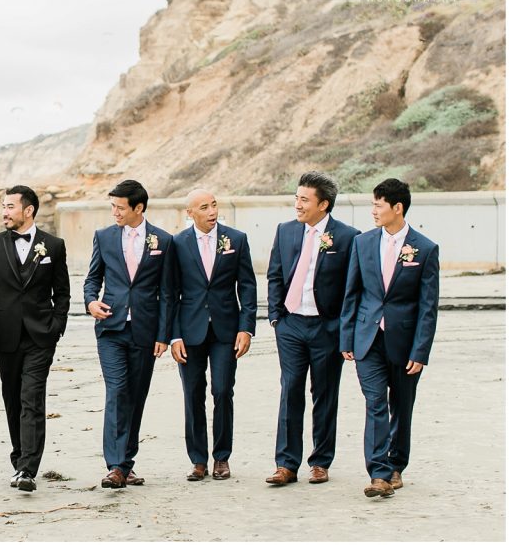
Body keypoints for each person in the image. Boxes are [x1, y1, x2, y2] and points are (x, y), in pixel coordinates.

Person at [340, 178, 440, 498]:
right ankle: (379, 473)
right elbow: (352, 293)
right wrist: (346, 338)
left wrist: (420, 351)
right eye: (372, 204)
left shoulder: (425, 248)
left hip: (405, 342)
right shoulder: (362, 243)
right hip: (367, 338)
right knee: (375, 403)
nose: (373, 210)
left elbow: (428, 307)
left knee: (402, 405)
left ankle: (396, 464)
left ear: (397, 208)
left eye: (378, 205)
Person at [0, 185, 71, 492]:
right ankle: (19, 459)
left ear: (28, 211)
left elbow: (63, 292)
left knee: (32, 399)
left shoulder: (53, 246)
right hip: (5, 336)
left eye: (10, 207)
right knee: (13, 399)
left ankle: (28, 468)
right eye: (3, 206)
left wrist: (56, 326)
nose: (4, 212)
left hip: (41, 336)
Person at [265, 172, 360, 486]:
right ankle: (286, 464)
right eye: (297, 198)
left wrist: (343, 329)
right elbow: (275, 275)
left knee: (325, 394)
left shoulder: (348, 237)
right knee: (290, 390)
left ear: (324, 204)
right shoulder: (285, 230)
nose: (298, 204)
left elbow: (352, 288)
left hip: (326, 328)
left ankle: (320, 462)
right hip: (290, 324)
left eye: (304, 199)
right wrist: (276, 317)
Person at [83, 179, 174, 488]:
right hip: (111, 328)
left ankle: (125, 463)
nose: (115, 213)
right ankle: (115, 466)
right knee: (118, 390)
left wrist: (163, 334)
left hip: (145, 331)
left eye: (120, 207)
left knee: (136, 396)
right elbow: (92, 279)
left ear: (139, 208)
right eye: (113, 207)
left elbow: (167, 292)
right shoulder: (104, 237)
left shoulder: (163, 240)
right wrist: (90, 302)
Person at [168, 189, 256, 482]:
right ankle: (197, 460)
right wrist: (174, 336)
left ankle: (221, 457)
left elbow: (247, 286)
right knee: (192, 394)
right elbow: (170, 293)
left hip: (225, 330)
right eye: (204, 207)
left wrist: (246, 328)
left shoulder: (236, 239)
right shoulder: (177, 243)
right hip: (189, 331)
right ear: (190, 213)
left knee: (222, 390)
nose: (212, 211)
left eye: (214, 205)